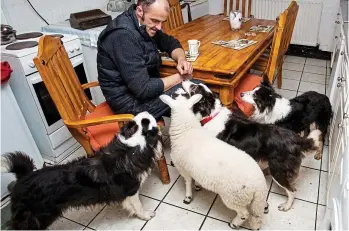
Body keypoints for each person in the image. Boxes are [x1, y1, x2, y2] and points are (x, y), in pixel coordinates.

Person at [97, 0, 198, 120]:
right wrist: (181, 77)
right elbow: (144, 89)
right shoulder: (123, 35)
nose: (159, 27)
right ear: (139, 11)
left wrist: (181, 60)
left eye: (162, 22)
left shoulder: (144, 24)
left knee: (195, 94)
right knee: (197, 89)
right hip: (129, 104)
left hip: (141, 93)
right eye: (155, 21)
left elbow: (171, 43)